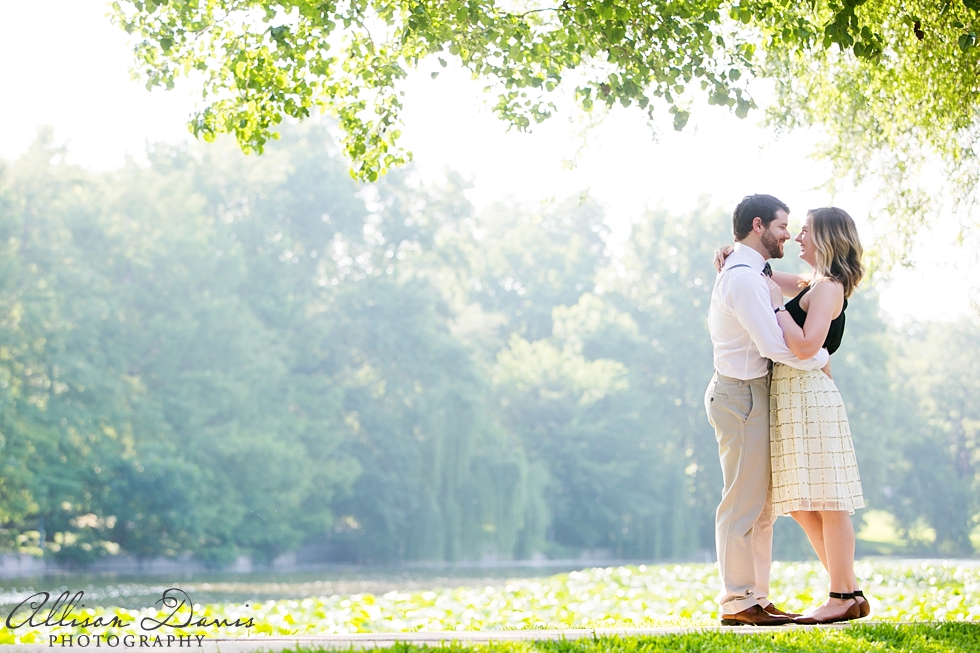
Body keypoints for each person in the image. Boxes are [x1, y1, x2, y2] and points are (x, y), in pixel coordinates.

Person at [715, 206, 869, 625]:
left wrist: (777, 310)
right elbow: (760, 275)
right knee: (802, 503)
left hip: (808, 397)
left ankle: (840, 595)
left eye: (805, 231)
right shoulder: (813, 283)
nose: (797, 238)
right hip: (792, 397)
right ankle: (849, 589)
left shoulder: (828, 288)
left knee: (828, 500)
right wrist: (734, 252)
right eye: (792, 229)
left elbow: (805, 346)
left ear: (827, 238)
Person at [704, 194, 831, 627]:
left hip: (753, 393)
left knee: (760, 506)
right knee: (741, 502)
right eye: (782, 226)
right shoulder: (742, 277)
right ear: (758, 225)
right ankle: (737, 602)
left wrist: (835, 273)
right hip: (739, 394)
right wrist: (821, 359)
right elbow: (773, 346)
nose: (787, 234)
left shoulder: (753, 270)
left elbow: (805, 283)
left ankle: (755, 597)